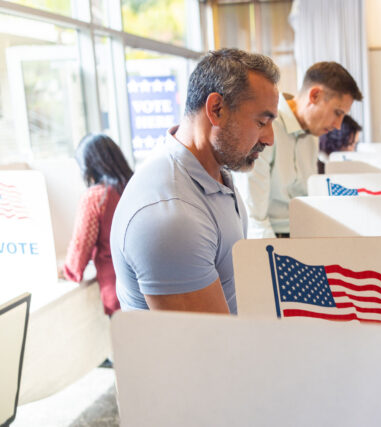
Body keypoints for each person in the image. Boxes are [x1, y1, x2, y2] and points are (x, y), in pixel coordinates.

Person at [110, 49, 280, 313]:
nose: (269, 139)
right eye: (261, 122)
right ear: (216, 109)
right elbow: (206, 348)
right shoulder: (172, 217)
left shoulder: (212, 170)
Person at [236, 62, 363, 238]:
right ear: (315, 95)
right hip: (272, 237)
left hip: (303, 232)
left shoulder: (312, 133)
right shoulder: (267, 126)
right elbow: (254, 217)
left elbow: (307, 196)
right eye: (337, 113)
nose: (338, 125)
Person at [63, 134, 132, 316]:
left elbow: (81, 245)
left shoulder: (97, 197)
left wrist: (68, 270)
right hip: (148, 288)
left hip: (118, 292)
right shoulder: (135, 187)